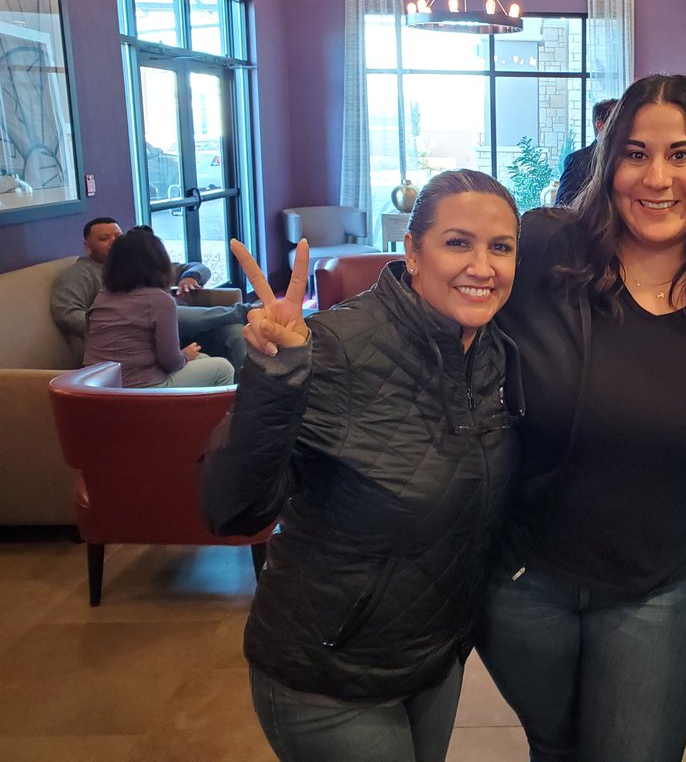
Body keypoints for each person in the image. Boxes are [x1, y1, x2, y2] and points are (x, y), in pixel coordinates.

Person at [478, 74, 686, 762]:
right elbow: (443, 294)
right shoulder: (544, 252)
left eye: (682, 155)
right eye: (635, 153)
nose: (657, 178)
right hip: (525, 584)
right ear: (608, 162)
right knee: (554, 750)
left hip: (665, 589)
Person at [202, 170, 523, 762]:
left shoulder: (495, 352)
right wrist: (275, 377)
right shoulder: (333, 348)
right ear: (412, 251)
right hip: (327, 675)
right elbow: (232, 509)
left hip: (433, 658)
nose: (482, 266)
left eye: (500, 247)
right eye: (458, 242)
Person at [51, 216, 250, 371]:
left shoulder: (139, 264)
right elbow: (66, 312)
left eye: (118, 237)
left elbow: (198, 267)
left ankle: (244, 395)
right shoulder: (79, 275)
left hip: (172, 328)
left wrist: (190, 277)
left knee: (235, 332)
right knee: (170, 312)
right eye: (104, 239)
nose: (113, 242)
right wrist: (120, 325)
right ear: (87, 246)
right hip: (143, 334)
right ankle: (245, 311)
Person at [83, 226, 235, 387]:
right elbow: (171, 363)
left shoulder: (103, 296)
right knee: (223, 368)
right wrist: (185, 355)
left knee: (203, 359)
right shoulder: (159, 300)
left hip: (101, 387)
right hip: (141, 387)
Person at [555, 98, 618, 206]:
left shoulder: (632, 158)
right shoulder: (577, 160)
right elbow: (562, 206)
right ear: (600, 125)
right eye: (618, 121)